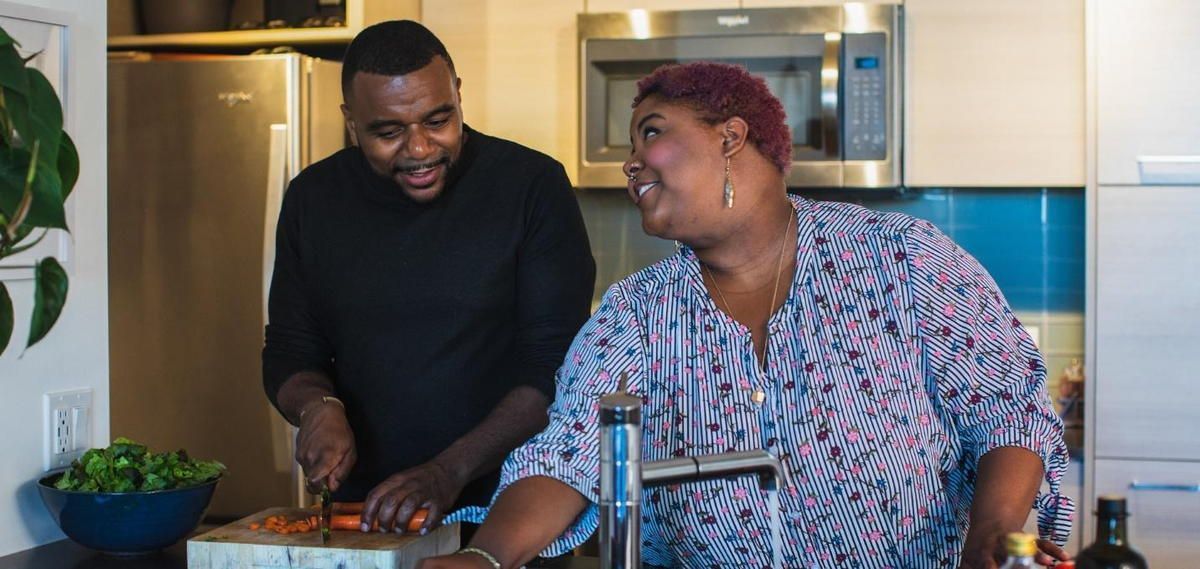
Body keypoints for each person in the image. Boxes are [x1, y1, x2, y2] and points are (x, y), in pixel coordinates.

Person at [420, 62, 1074, 568]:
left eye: (652, 132)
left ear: (731, 136)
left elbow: (1007, 410)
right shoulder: (637, 313)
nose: (630, 161)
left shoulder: (903, 260)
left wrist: (993, 530)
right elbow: (568, 455)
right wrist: (487, 554)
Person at [261, 20, 595, 534]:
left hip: (511, 516)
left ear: (459, 95)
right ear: (352, 122)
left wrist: (448, 471)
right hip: (365, 515)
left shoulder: (531, 187)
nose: (419, 149)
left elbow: (555, 369)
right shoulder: (314, 199)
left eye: (438, 120)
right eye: (389, 132)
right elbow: (289, 349)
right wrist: (316, 409)